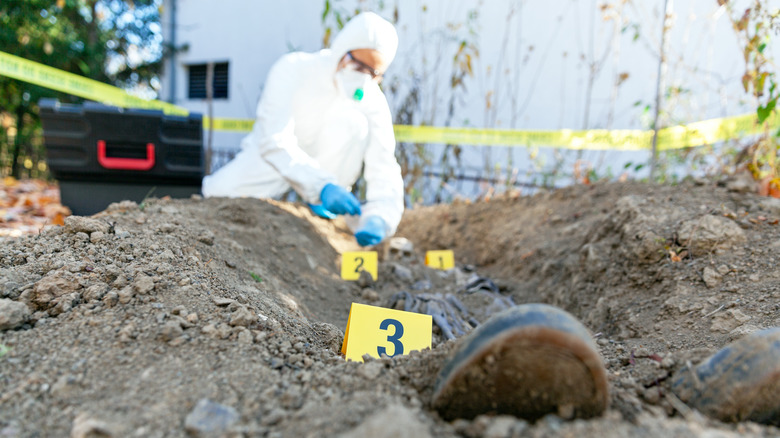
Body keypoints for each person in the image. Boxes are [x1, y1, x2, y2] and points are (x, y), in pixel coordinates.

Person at [202, 12, 404, 247]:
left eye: (373, 72)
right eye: (358, 64)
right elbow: (273, 139)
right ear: (342, 49)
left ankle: (321, 211)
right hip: (273, 160)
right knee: (218, 195)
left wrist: (381, 216)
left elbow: (384, 163)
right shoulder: (294, 69)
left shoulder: (372, 99)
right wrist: (320, 186)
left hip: (329, 172)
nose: (364, 76)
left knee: (356, 125)